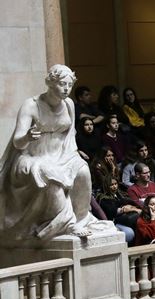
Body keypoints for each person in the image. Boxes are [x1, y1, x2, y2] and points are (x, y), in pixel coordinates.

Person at [0, 64, 102, 240]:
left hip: (61, 155)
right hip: (31, 158)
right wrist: (28, 136)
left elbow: (69, 138)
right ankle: (67, 223)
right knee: (51, 176)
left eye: (70, 85)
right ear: (50, 82)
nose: (66, 89)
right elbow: (17, 141)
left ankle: (81, 219)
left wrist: (72, 157)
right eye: (62, 83)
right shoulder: (31, 105)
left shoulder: (69, 104)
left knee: (83, 170)